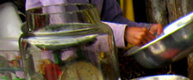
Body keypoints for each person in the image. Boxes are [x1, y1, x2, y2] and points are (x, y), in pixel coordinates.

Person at [25, 0, 161, 48]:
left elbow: (112, 19)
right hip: (53, 68)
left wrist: (145, 30)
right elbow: (66, 28)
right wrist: (123, 33)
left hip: (89, 66)